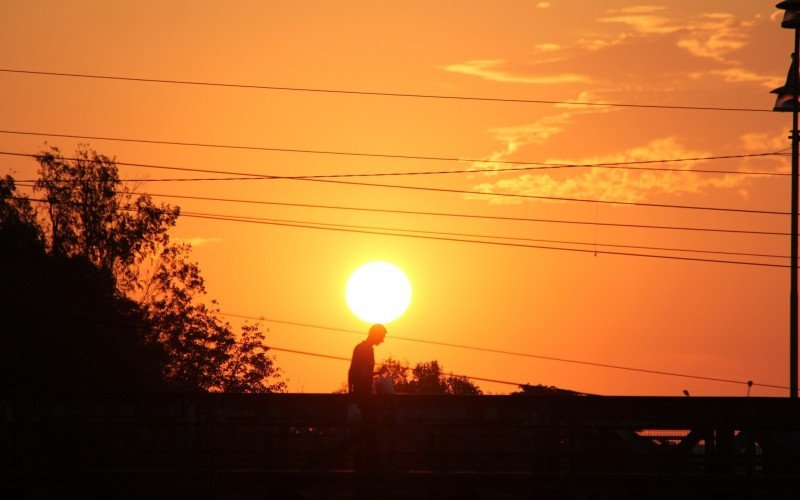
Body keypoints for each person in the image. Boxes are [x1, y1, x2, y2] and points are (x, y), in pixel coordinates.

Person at [348, 323, 387, 395]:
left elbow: (364, 373)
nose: (382, 340)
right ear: (376, 335)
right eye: (382, 336)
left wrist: (379, 373)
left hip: (365, 392)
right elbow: (353, 371)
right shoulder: (362, 349)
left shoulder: (366, 349)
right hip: (361, 393)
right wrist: (350, 393)